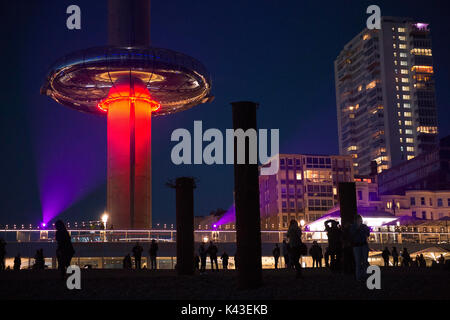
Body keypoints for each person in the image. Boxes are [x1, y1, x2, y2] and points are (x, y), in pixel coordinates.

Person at [350, 215, 371, 281]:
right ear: (356, 220)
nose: (360, 221)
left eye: (360, 220)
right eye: (359, 220)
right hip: (359, 245)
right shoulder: (354, 227)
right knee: (359, 261)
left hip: (361, 245)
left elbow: (367, 234)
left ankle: (362, 275)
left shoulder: (362, 226)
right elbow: (352, 234)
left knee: (363, 261)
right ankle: (360, 276)